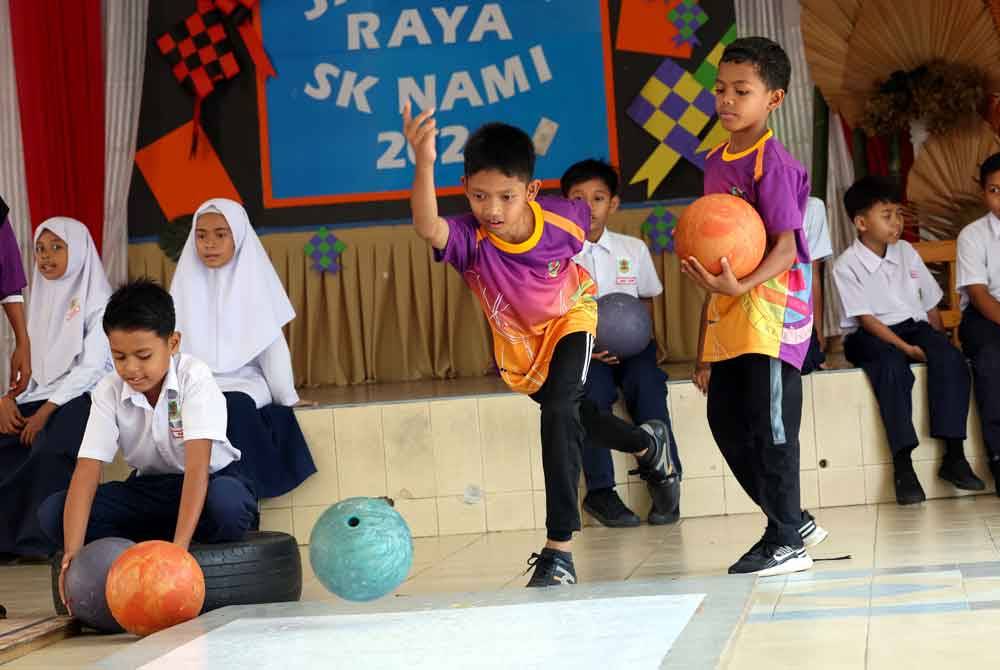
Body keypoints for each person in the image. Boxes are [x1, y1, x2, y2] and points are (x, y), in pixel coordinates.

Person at [402, 107, 678, 587]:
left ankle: (559, 550)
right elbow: (429, 226)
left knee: (560, 411)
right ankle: (646, 444)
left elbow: (586, 222)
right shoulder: (469, 237)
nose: (492, 209)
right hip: (522, 346)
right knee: (576, 416)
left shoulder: (564, 220)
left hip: (572, 317)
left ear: (530, 191)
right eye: (479, 196)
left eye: (506, 197)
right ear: (464, 188)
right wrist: (424, 163)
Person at [682, 37, 826, 577]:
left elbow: (786, 249)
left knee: (772, 427)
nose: (726, 99)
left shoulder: (775, 163)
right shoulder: (715, 161)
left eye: (741, 91)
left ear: (774, 98)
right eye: (720, 89)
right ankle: (791, 520)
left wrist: (741, 285)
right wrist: (705, 342)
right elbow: (719, 250)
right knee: (724, 419)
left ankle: (786, 538)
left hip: (772, 312)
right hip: (732, 309)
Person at [37, 280, 259, 608]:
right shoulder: (108, 390)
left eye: (143, 356)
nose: (130, 369)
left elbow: (197, 468)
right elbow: (87, 469)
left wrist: (178, 552)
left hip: (207, 483)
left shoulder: (194, 377)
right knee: (54, 512)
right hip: (149, 491)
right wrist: (74, 554)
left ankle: (175, 536)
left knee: (227, 504)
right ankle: (156, 537)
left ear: (173, 343)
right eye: (119, 357)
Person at [833, 176, 983, 505]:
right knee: (891, 369)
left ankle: (954, 456)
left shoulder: (906, 252)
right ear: (861, 223)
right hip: (869, 335)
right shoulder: (847, 265)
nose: (897, 222)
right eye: (886, 216)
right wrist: (906, 349)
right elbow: (867, 320)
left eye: (899, 214)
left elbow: (929, 305)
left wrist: (938, 343)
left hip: (912, 328)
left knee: (951, 359)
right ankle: (903, 466)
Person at [561, 159, 682, 527]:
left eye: (597, 198)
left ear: (613, 204)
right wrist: (584, 348)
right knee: (591, 397)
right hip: (586, 350)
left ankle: (666, 482)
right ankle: (601, 493)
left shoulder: (633, 249)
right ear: (565, 205)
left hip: (634, 348)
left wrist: (641, 340)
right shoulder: (559, 256)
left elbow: (645, 302)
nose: (588, 207)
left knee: (648, 386)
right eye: (577, 199)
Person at [170, 198, 316, 500]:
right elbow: (170, 352)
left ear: (238, 235)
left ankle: (242, 496)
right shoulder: (184, 284)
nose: (209, 243)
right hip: (196, 383)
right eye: (201, 235)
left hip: (245, 382)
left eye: (220, 234)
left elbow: (271, 348)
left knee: (233, 405)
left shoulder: (255, 283)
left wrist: (287, 398)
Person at [0, 218, 111, 562]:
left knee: (49, 448)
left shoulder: (102, 303)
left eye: (56, 247)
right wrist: (8, 399)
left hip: (87, 398)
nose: (46, 257)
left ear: (78, 251)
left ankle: (38, 541)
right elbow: (33, 369)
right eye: (40, 249)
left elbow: (91, 369)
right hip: (43, 396)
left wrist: (46, 411)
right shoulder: (40, 299)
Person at [956, 152, 1000, 490]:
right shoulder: (972, 235)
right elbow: (979, 293)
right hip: (986, 316)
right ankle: (998, 457)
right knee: (991, 361)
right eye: (994, 190)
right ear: (983, 193)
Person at [801, 197, 834, 374]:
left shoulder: (813, 207)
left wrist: (818, 331)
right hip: (759, 311)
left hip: (796, 314)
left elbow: (812, 275)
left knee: (810, 361)